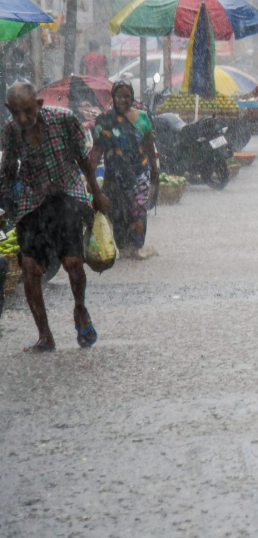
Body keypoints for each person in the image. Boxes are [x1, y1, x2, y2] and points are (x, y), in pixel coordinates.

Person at [0, 82, 109, 352]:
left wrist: (96, 194)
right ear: (8, 110)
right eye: (16, 113)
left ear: (39, 104)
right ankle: (45, 335)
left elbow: (83, 160)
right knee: (29, 269)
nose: (23, 119)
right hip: (32, 201)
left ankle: (80, 308)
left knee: (73, 263)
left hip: (65, 194)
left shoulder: (64, 120)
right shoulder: (11, 131)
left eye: (28, 111)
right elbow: (8, 170)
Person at [88, 81, 158, 260]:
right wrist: (90, 176)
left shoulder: (143, 117)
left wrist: (154, 173)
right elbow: (97, 150)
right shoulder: (105, 120)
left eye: (127, 96)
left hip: (139, 175)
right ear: (113, 97)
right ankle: (124, 248)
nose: (123, 100)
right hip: (114, 177)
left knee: (138, 211)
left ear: (132, 97)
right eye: (119, 96)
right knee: (117, 214)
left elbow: (149, 146)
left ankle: (136, 248)